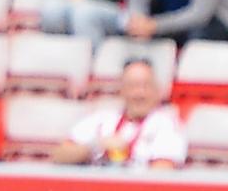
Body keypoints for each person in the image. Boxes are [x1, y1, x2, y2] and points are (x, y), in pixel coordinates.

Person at [53, 58, 185, 167]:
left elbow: (161, 174)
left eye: (146, 86)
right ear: (121, 91)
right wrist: (96, 146)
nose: (140, 94)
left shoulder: (167, 125)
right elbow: (60, 156)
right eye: (133, 86)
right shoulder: (102, 118)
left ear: (158, 91)